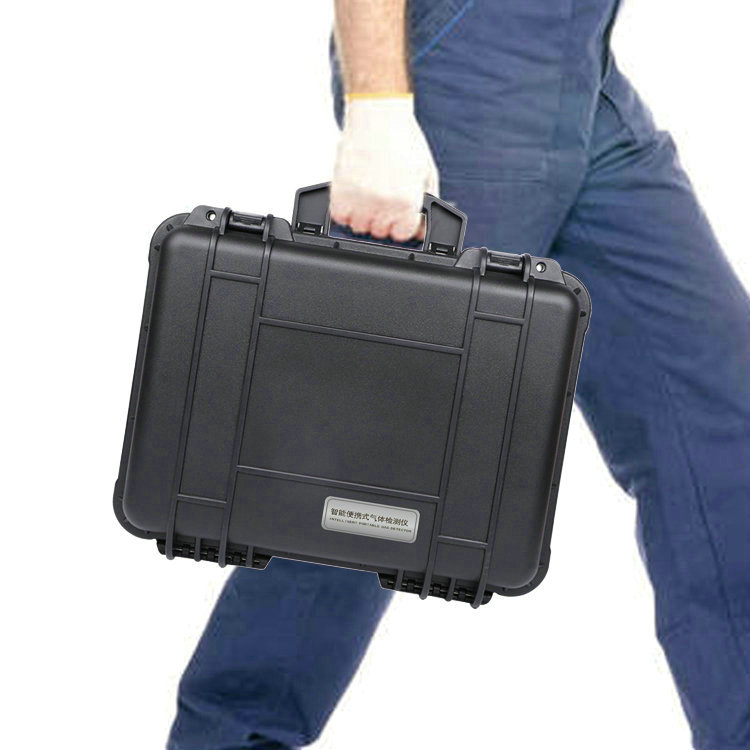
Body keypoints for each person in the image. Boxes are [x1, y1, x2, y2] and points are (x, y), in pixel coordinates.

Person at [166, 2, 750, 749]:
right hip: (468, 70)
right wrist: (377, 104)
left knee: (718, 416)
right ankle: (230, 736)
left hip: (586, 77)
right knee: (375, 470)